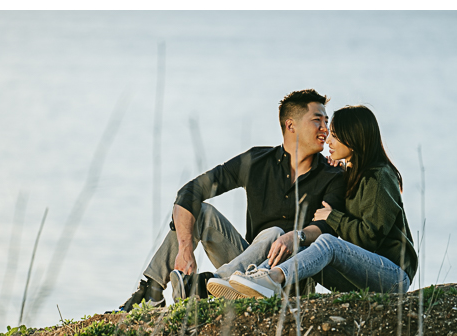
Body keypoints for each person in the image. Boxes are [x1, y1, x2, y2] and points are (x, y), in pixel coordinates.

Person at [118, 89, 346, 311]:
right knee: (202, 213)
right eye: (318, 121)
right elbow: (190, 192)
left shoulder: (333, 175)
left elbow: (327, 226)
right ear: (291, 125)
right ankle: (151, 293)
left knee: (275, 233)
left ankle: (206, 286)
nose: (325, 129)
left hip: (292, 277)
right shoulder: (257, 161)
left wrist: (294, 237)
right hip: (244, 274)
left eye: (327, 122)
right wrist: (185, 248)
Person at [227, 105, 417, 300]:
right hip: (362, 277)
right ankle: (255, 279)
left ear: (353, 138)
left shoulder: (379, 177)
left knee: (327, 242)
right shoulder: (352, 176)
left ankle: (273, 278)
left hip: (393, 276)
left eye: (335, 135)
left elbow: (369, 238)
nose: (328, 140)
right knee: (301, 247)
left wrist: (333, 217)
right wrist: (338, 169)